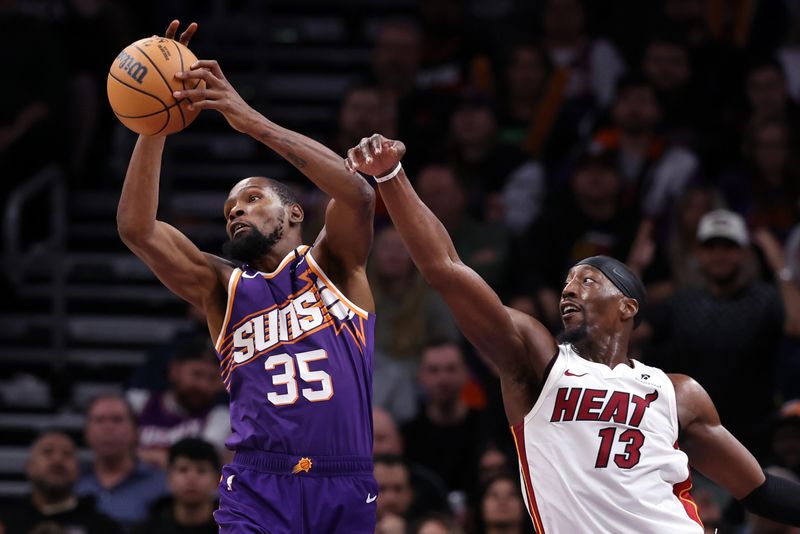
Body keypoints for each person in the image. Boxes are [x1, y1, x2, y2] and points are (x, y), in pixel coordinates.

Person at [344, 134, 800, 532]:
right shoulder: (537, 361)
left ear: (628, 307)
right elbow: (446, 269)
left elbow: (758, 490)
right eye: (565, 281)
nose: (568, 289)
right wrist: (392, 177)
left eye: (587, 280)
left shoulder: (677, 393)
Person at [117, 21, 378, 534]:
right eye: (229, 208)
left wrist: (248, 119)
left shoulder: (334, 267)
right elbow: (136, 229)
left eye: (252, 199)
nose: (236, 211)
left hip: (343, 481)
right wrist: (155, 127)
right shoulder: (223, 288)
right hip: (258, 484)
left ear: (296, 213)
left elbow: (359, 194)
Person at [127, 334, 230, 469]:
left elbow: (195, 464)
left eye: (212, 379)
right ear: (174, 371)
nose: (203, 385)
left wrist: (138, 454)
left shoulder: (222, 418)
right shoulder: (138, 402)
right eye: (197, 374)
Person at [76, 394, 168, 528]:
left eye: (117, 420)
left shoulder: (162, 483)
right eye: (99, 420)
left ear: (136, 431)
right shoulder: (71, 483)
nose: (108, 428)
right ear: (86, 432)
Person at [0, 432, 120, 534]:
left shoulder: (102, 527)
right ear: (29, 467)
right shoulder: (6, 519)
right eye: (47, 452)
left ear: (78, 470)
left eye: (67, 454)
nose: (58, 459)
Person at [131, 438, 220, 534]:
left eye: (201, 470)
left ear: (217, 479)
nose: (191, 478)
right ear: (169, 477)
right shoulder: (147, 528)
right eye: (183, 470)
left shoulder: (233, 527)